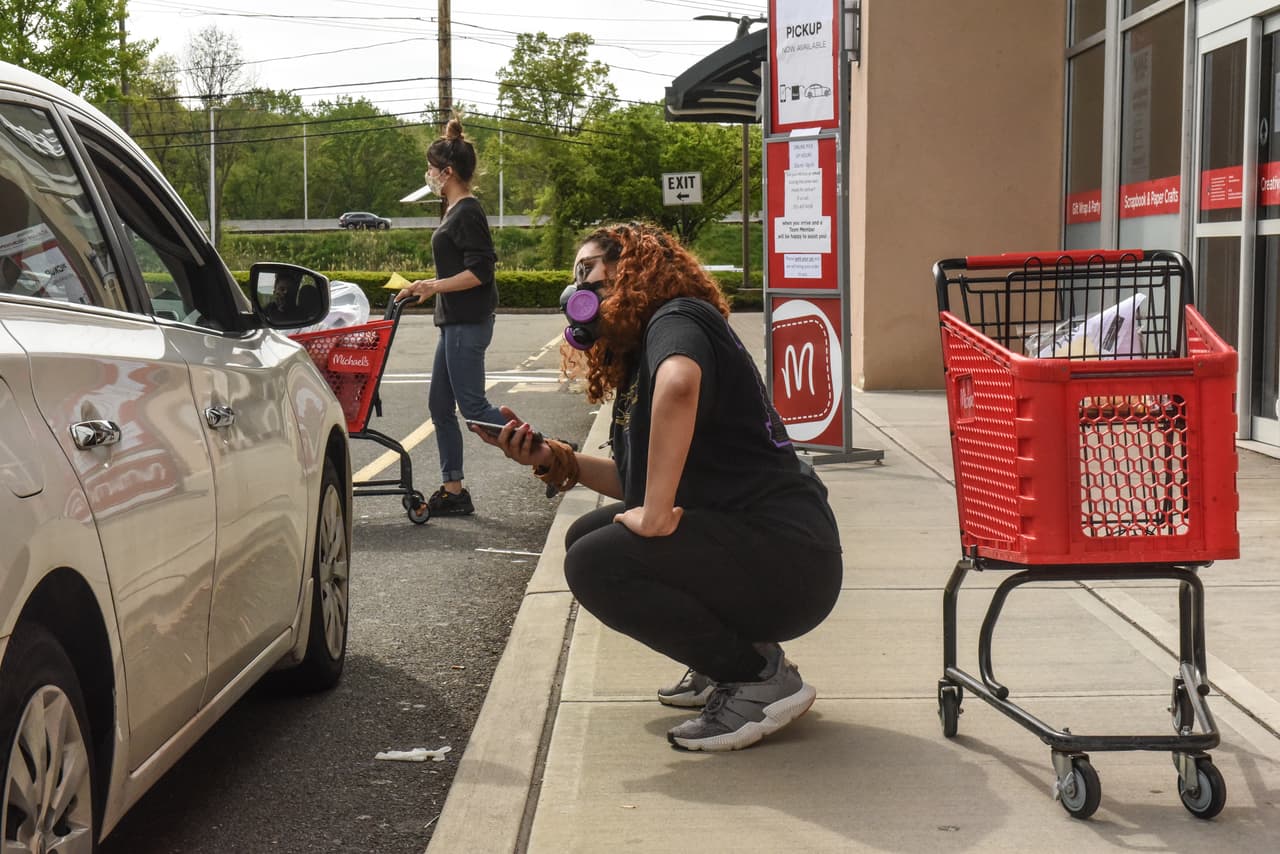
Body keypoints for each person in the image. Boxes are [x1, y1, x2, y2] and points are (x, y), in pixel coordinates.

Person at [472, 222, 843, 752]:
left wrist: (656, 514)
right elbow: (637, 483)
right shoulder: (642, 353)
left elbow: (680, 385)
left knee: (597, 562)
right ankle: (734, 657)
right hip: (764, 547)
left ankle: (758, 679)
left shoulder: (678, 317)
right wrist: (556, 460)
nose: (576, 289)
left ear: (631, 269)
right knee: (587, 536)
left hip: (790, 556)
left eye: (587, 271)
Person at [397, 117, 504, 516]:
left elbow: (480, 272)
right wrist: (423, 285)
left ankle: (551, 452)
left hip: (467, 324)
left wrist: (434, 286)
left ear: (447, 172)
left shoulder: (468, 212)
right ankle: (453, 489)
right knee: (440, 407)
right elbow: (457, 269)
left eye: (431, 168)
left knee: (474, 409)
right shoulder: (454, 210)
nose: (427, 175)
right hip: (453, 323)